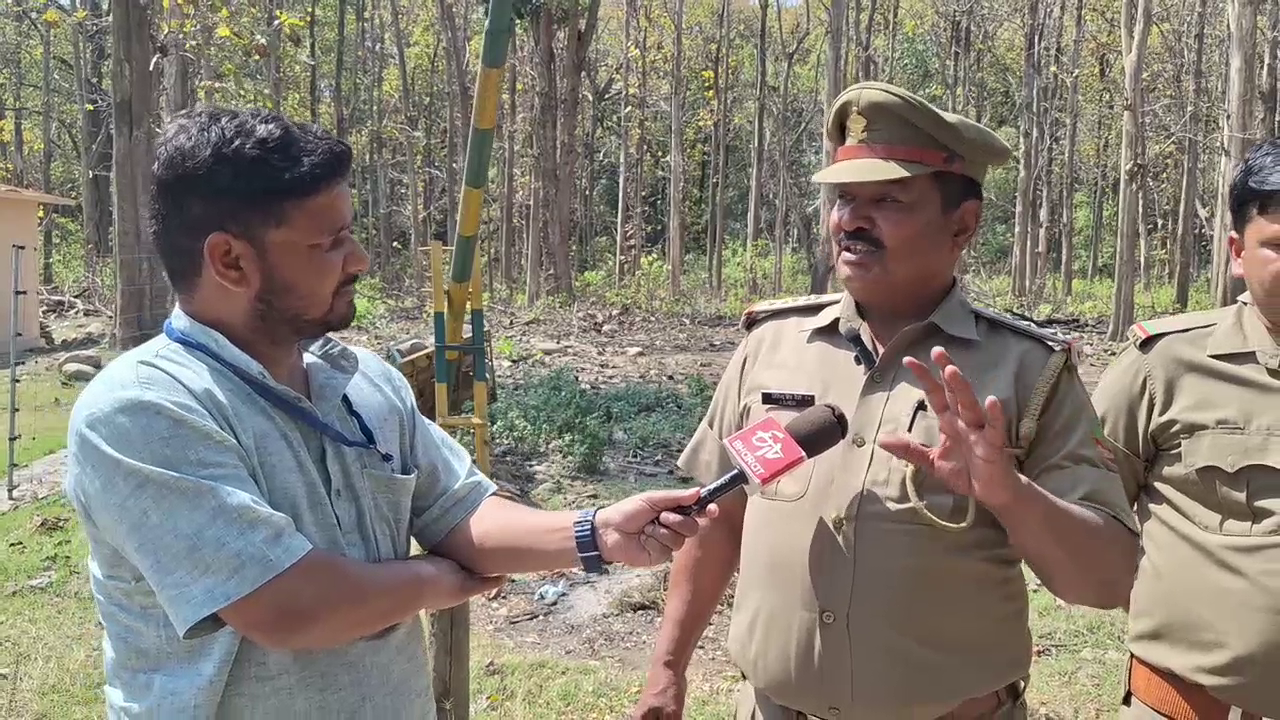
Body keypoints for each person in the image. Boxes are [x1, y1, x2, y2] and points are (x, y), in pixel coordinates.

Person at [62, 106, 716, 719]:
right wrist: (437, 578)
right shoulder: (142, 412)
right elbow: (292, 606)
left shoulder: (363, 381)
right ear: (230, 260)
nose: (360, 260)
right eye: (331, 242)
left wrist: (598, 533)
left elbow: (459, 511)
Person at [631, 81, 1141, 720]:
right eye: (842, 198)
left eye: (887, 200)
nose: (851, 220)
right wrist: (668, 669)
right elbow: (720, 517)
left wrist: (1007, 491)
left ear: (962, 224)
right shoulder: (773, 347)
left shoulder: (1026, 372)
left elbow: (1106, 581)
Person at [1091, 139, 1280, 720]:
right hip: (1187, 706)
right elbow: (1086, 508)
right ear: (1236, 253)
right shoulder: (1163, 365)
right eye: (1278, 245)